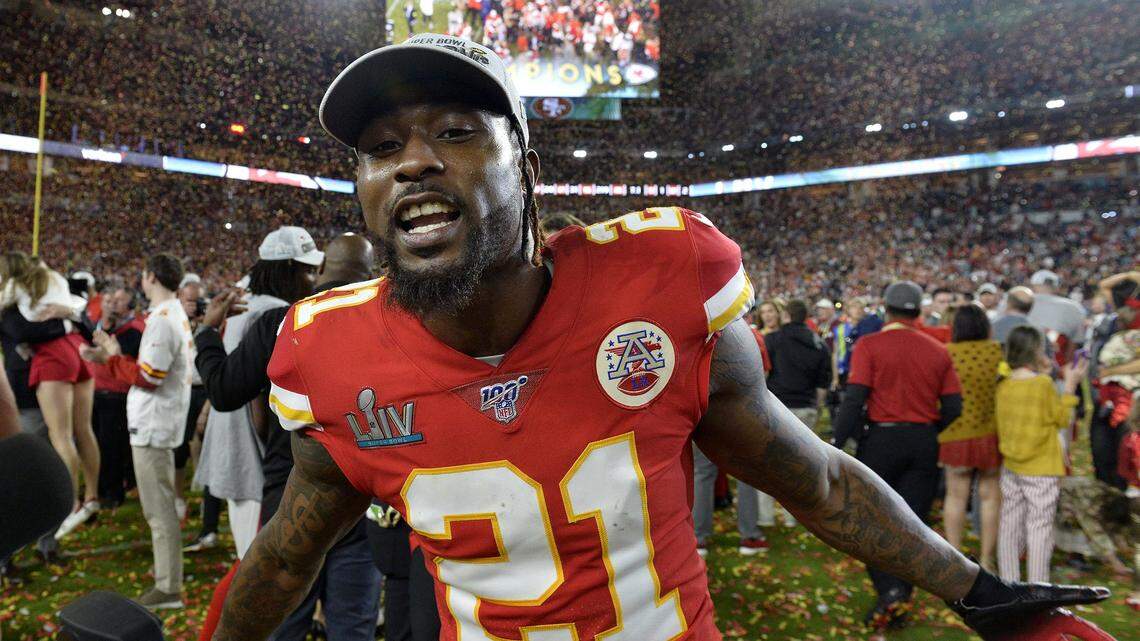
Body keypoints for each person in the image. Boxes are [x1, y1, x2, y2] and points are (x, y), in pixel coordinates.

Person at [212, 34, 1113, 641]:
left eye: (455, 132)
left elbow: (817, 477)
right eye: (381, 145)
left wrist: (979, 592)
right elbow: (290, 552)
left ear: (525, 168)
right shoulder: (327, 349)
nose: (413, 159)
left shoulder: (662, 277)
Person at [194, 233, 383, 641]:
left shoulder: (283, 321)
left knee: (286, 621)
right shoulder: (390, 318)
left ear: (320, 270)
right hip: (367, 495)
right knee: (353, 624)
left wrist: (206, 335)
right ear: (370, 273)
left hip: (292, 493)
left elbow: (224, 391)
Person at [831, 280, 964, 626]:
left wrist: (836, 441)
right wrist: (931, 431)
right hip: (923, 440)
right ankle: (899, 593)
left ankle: (889, 590)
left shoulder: (869, 345)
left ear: (886, 309)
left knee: (874, 519)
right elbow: (954, 405)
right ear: (918, 311)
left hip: (881, 439)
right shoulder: (938, 349)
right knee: (913, 522)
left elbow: (854, 398)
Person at [193, 226, 321, 560]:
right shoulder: (272, 315)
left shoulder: (250, 304)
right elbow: (244, 395)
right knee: (261, 564)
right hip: (255, 453)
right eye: (308, 270)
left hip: (239, 448)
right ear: (288, 269)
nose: (314, 279)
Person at [81, 253, 195, 610]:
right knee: (158, 510)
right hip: (158, 420)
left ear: (150, 277)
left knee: (159, 512)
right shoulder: (169, 315)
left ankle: (168, 587)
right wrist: (114, 355)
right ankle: (167, 576)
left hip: (154, 424)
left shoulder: (162, 320)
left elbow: (148, 378)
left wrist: (111, 358)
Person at [0, 251, 100, 539]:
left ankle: (72, 504)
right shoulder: (55, 285)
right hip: (75, 349)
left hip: (53, 361)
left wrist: (64, 317)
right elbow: (84, 323)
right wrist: (68, 317)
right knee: (83, 431)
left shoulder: (16, 293)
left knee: (62, 436)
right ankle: (91, 495)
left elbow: (24, 331)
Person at [995, 325, 1087, 583]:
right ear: (1036, 351)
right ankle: (1037, 585)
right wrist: (1069, 387)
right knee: (1039, 528)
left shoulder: (1003, 385)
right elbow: (1060, 419)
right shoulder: (1043, 385)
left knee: (1010, 526)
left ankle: (1009, 583)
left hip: (1012, 464)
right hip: (1042, 467)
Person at [0, 300, 69, 568]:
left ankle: (46, 544)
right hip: (25, 402)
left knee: (41, 476)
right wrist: (62, 320)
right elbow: (24, 331)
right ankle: (7, 561)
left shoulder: (44, 310)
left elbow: (81, 328)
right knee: (16, 478)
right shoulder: (13, 316)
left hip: (50, 395)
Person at [940, 304, 1003, 571]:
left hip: (955, 433)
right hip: (990, 432)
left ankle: (955, 558)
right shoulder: (998, 352)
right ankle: (987, 559)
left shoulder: (946, 354)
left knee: (955, 496)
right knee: (989, 495)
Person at [88, 285, 145, 509]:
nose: (113, 304)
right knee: (99, 443)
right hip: (97, 391)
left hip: (117, 394)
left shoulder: (134, 329)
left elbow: (121, 359)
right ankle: (103, 487)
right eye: (110, 300)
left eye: (119, 301)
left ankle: (114, 491)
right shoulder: (103, 325)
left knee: (112, 446)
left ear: (130, 306)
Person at [764, 299, 830, 435]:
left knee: (774, 454)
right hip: (806, 408)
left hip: (777, 406)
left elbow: (763, 374)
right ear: (805, 317)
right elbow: (822, 385)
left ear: (786, 315)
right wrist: (816, 408)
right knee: (800, 456)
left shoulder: (772, 339)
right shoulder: (820, 344)